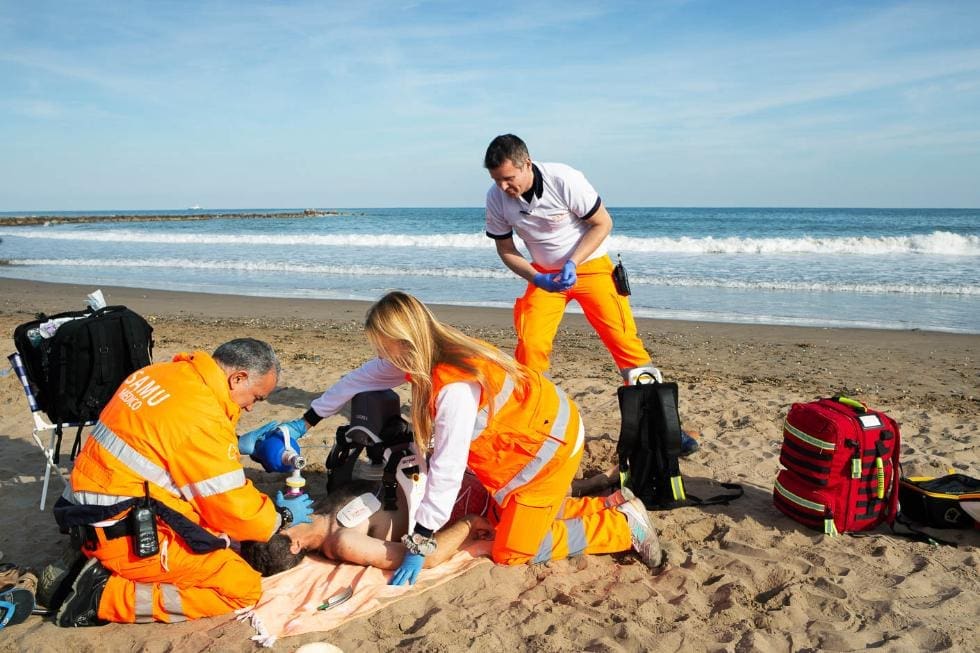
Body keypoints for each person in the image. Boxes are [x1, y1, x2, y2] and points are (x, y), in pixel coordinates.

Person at [273, 291, 663, 586]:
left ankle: (621, 527)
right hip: (535, 440)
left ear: (404, 342)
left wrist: (421, 542)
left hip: (547, 451)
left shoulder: (454, 386)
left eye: (383, 348)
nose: (381, 357)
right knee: (508, 517)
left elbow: (447, 467)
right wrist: (306, 421)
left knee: (512, 550)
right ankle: (609, 503)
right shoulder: (429, 354)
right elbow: (360, 379)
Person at [49, 338, 315, 627]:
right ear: (237, 378)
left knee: (214, 534)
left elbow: (168, 441)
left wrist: (237, 444)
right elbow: (235, 510)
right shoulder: (202, 414)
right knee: (242, 587)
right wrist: (281, 516)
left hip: (86, 508)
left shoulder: (158, 374)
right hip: (121, 533)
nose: (251, 408)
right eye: (256, 397)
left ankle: (96, 564)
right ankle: (100, 596)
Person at [482, 133, 698, 455]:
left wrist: (573, 262)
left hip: (591, 267)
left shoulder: (564, 179)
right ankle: (530, 426)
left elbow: (603, 223)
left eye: (508, 178)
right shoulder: (496, 198)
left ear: (527, 164)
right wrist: (537, 278)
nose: (503, 187)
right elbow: (506, 249)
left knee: (625, 343)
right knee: (530, 346)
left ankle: (666, 429)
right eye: (497, 180)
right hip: (545, 277)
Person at [241, 472, 495, 576]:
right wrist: (469, 524)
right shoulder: (344, 542)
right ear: (295, 545)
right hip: (464, 498)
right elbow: (426, 557)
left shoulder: (316, 510)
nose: (279, 514)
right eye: (278, 523)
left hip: (443, 472)